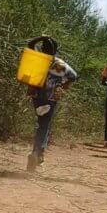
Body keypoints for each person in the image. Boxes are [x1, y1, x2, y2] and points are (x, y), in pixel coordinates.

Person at [26, 38, 77, 172]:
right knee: (44, 126)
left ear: (42, 49)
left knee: (41, 124)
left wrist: (41, 38)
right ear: (55, 50)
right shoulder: (59, 64)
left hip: (36, 96)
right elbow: (73, 76)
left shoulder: (37, 58)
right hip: (50, 98)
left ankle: (38, 155)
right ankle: (37, 153)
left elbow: (30, 44)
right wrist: (63, 86)